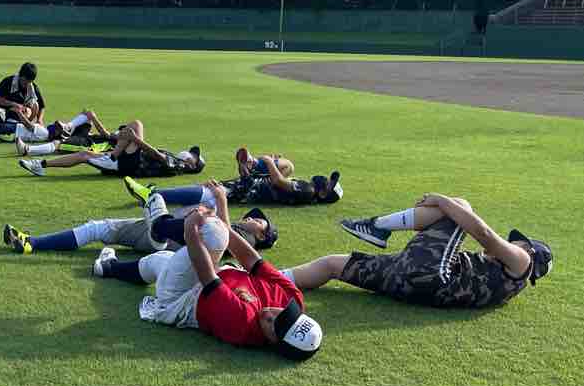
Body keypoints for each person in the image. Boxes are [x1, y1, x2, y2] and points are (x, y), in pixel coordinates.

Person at [94, 189, 322, 360]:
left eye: (274, 325)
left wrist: (191, 229)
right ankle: (109, 267)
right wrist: (224, 225)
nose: (271, 314)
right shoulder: (293, 298)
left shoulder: (242, 325)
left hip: (182, 301)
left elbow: (206, 276)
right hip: (212, 279)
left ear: (272, 343)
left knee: (212, 233)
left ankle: (159, 227)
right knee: (162, 260)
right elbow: (252, 260)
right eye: (284, 314)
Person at [281, 193, 553, 309]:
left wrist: (441, 201)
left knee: (460, 206)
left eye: (518, 242)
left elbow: (484, 235)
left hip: (435, 277)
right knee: (332, 265)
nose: (512, 243)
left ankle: (378, 227)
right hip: (409, 283)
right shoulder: (507, 284)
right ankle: (273, 278)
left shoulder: (523, 262)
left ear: (529, 250)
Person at [3, 184, 279, 255]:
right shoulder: (238, 226)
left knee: (101, 227)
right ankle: (31, 243)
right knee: (99, 228)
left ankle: (152, 202)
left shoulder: (248, 240)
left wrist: (221, 201)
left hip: (172, 243)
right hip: (169, 235)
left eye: (259, 222)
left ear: (262, 235)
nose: (252, 218)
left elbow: (227, 240)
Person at [126, 154, 340, 207]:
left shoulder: (308, 190)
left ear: (324, 193)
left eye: (329, 183)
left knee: (207, 193)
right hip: (248, 187)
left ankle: (151, 194)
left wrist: (268, 160)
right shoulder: (308, 191)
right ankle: (156, 193)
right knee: (203, 189)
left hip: (247, 191)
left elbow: (278, 182)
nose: (326, 179)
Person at [18, 119, 204, 178]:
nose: (189, 154)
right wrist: (130, 139)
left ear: (192, 165)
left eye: (193, 157)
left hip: (131, 165)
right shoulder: (178, 160)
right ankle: (41, 165)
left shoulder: (180, 165)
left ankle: (40, 165)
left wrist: (135, 140)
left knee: (135, 126)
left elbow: (157, 155)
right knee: (84, 154)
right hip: (129, 160)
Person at [0, 108, 109, 147]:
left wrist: (20, 114)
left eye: (60, 125)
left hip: (12, 131)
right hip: (13, 128)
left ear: (59, 132)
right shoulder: (50, 130)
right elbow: (86, 113)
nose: (59, 122)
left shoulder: (45, 132)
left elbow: (29, 126)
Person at [0, 62, 45, 127]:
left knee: (34, 106)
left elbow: (41, 106)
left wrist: (39, 120)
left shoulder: (33, 87)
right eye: (25, 80)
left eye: (29, 81)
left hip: (21, 115)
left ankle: (24, 126)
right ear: (20, 76)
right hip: (2, 111)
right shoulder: (8, 81)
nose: (27, 83)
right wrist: (14, 104)